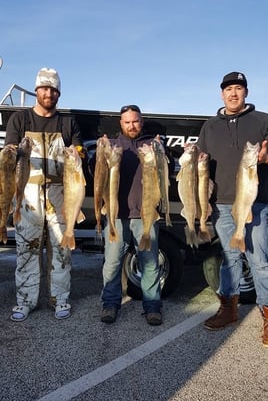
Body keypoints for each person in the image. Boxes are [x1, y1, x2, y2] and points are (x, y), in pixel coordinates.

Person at [5, 67, 84, 322]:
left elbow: (80, 150)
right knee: (27, 249)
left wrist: (78, 152)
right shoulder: (19, 120)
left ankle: (59, 298)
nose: (48, 93)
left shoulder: (67, 123)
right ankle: (25, 300)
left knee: (61, 250)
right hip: (28, 194)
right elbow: (9, 156)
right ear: (37, 90)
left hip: (62, 191)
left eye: (53, 89)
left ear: (58, 93)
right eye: (44, 88)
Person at [198, 71, 268, 346]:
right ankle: (229, 309)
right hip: (223, 205)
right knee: (229, 260)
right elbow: (202, 162)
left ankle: (267, 314)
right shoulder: (210, 126)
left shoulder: (262, 120)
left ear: (246, 92)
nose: (234, 93)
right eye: (229, 89)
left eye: (239, 88)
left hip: (257, 203)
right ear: (222, 94)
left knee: (259, 261)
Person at [95, 105, 169, 326]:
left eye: (135, 121)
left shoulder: (151, 145)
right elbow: (95, 173)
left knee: (150, 264)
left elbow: (168, 170)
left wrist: (161, 152)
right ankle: (110, 304)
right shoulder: (114, 146)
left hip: (146, 215)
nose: (132, 125)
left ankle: (153, 307)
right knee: (112, 263)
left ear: (141, 121)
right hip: (117, 216)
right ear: (121, 123)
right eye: (127, 122)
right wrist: (99, 154)